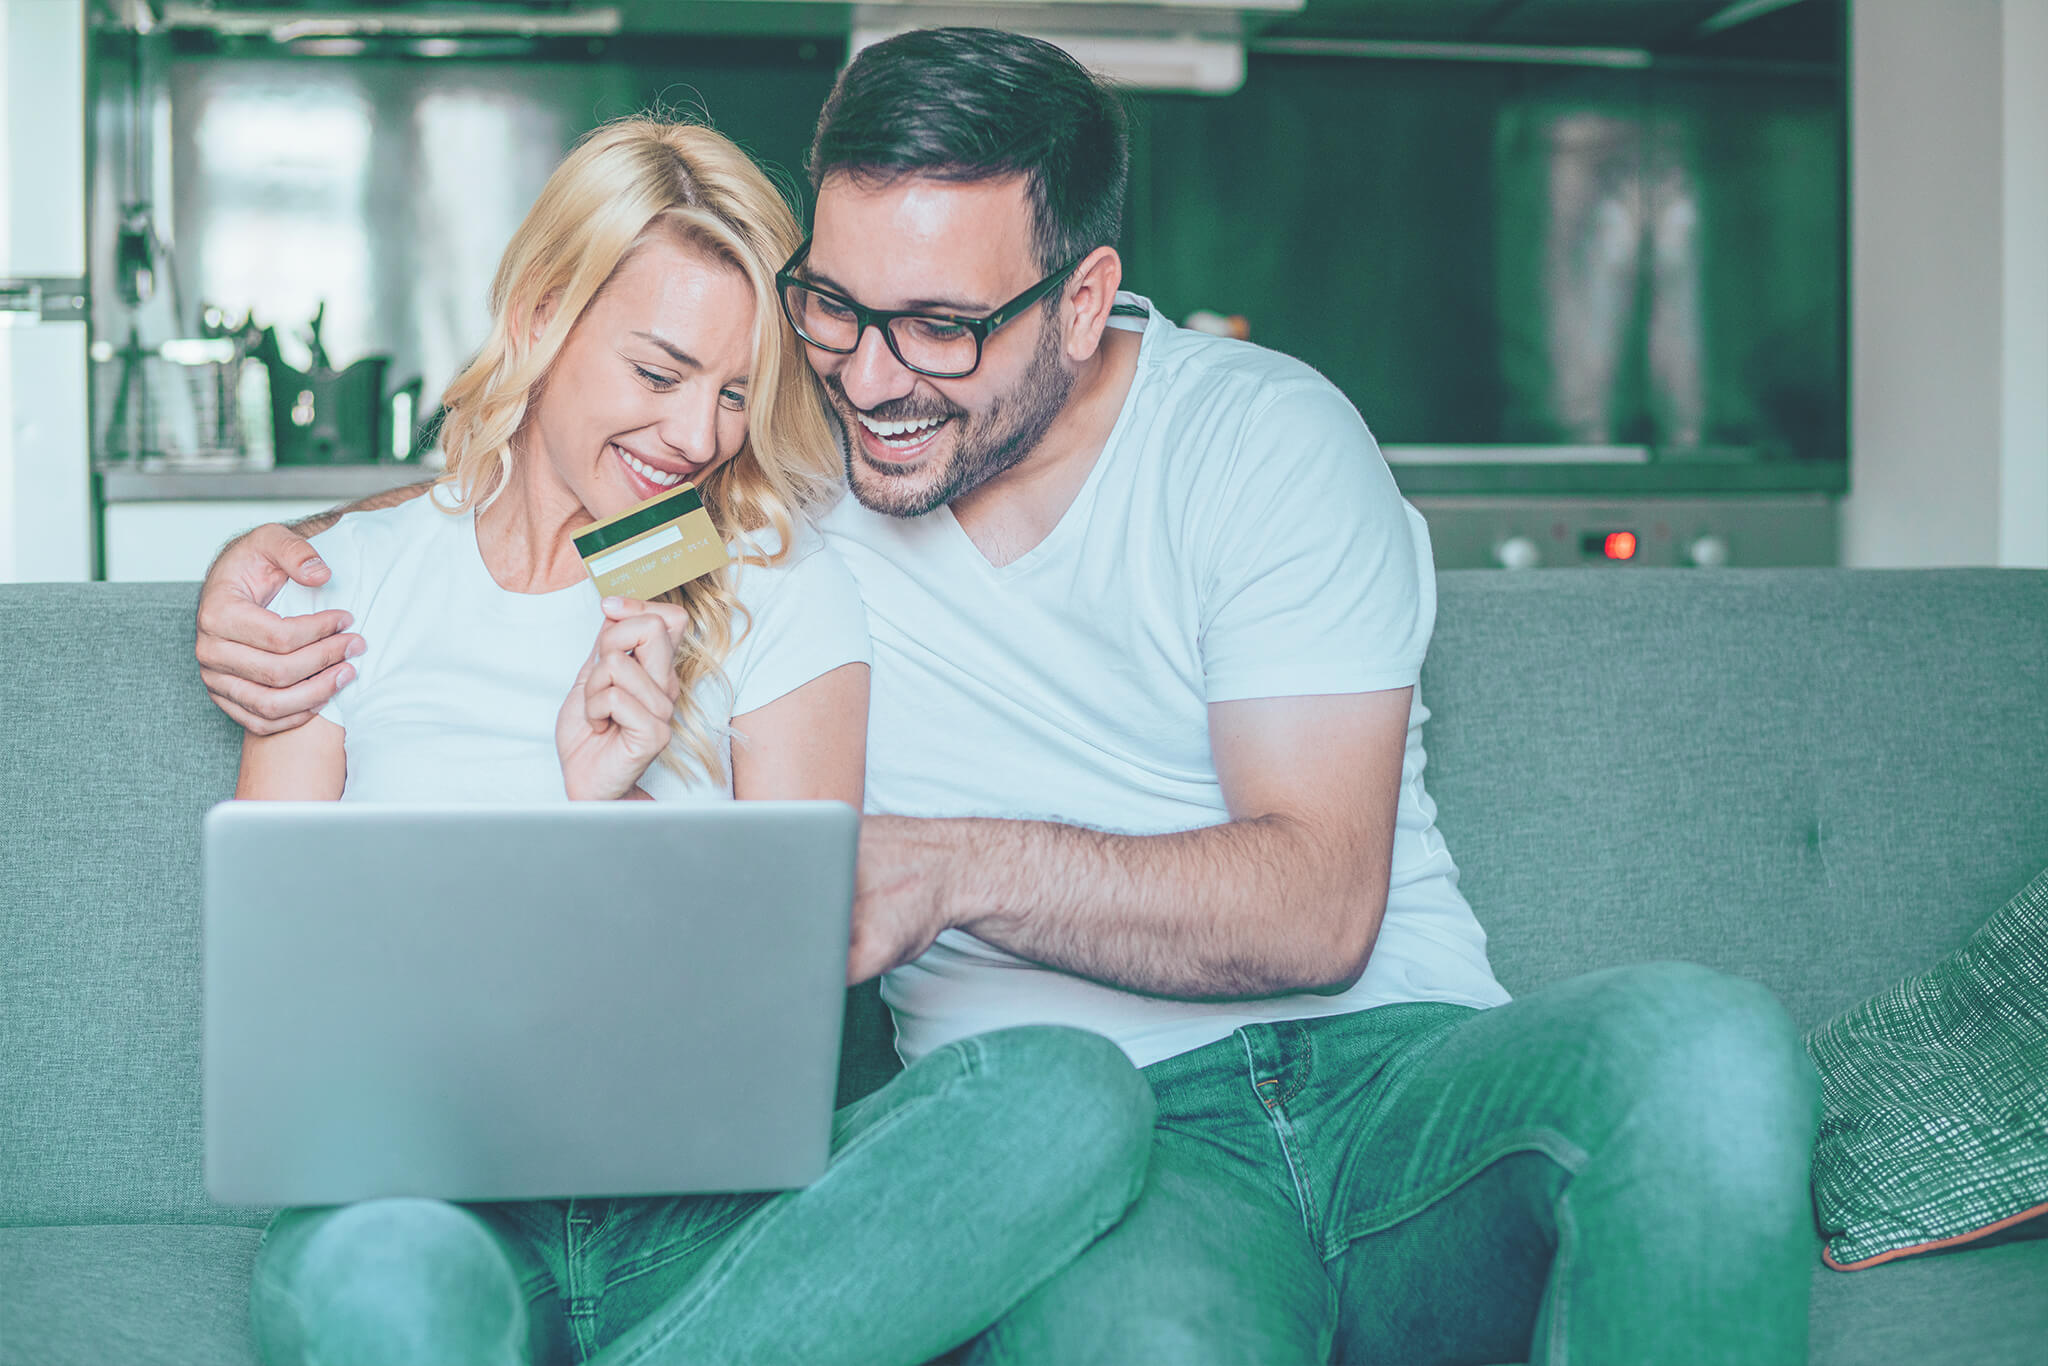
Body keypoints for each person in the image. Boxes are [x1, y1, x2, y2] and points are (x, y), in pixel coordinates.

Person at [199, 31, 1824, 1365]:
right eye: (829, 309)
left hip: (1396, 1074)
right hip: (1114, 1145)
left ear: (1074, 297)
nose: (869, 378)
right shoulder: (779, 482)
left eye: (938, 326)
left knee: (1708, 1051)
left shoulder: (1258, 438)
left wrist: (957, 864)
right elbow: (529, 523)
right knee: (1134, 1305)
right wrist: (261, 566)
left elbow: (1321, 905)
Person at [222, 115, 1154, 1366]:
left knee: (1068, 1095)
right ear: (543, 318)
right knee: (383, 1283)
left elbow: (796, 991)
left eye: (731, 393)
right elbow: (288, 1007)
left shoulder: (781, 585)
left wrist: (618, 815)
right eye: (658, 375)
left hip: (711, 1222)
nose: (699, 438)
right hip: (423, 1204)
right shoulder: (343, 585)